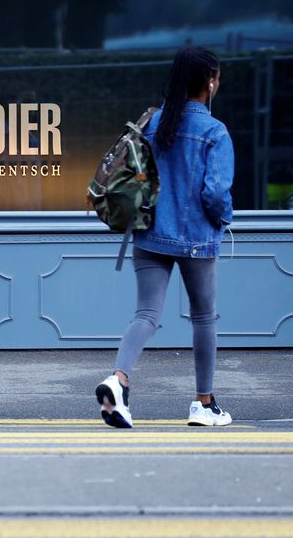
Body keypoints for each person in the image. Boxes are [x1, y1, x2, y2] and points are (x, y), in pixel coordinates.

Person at [96, 47, 235, 429]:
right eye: (217, 78)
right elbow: (215, 194)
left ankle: (119, 379)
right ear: (209, 82)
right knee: (204, 317)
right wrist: (225, 219)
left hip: (150, 235)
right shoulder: (214, 132)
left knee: (146, 314)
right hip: (197, 239)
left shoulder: (153, 123)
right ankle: (203, 404)